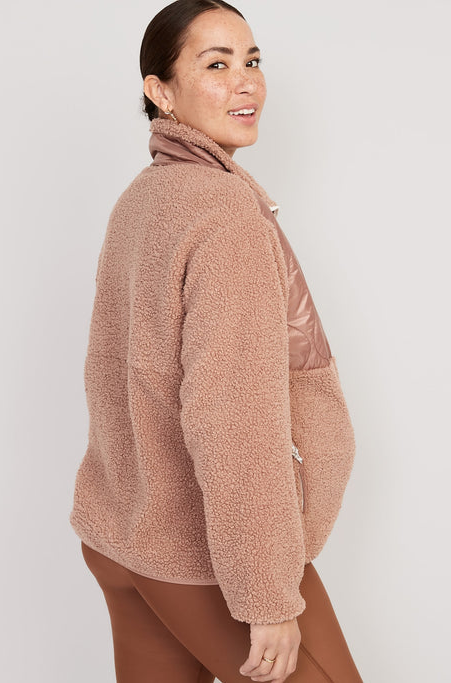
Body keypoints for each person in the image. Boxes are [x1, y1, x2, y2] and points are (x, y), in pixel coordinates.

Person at [69, 1, 363, 681]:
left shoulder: (143, 197)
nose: (245, 81)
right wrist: (267, 596)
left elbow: (118, 374)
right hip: (202, 555)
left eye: (252, 60)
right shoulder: (225, 213)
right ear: (161, 91)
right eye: (216, 64)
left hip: (122, 534)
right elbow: (234, 417)